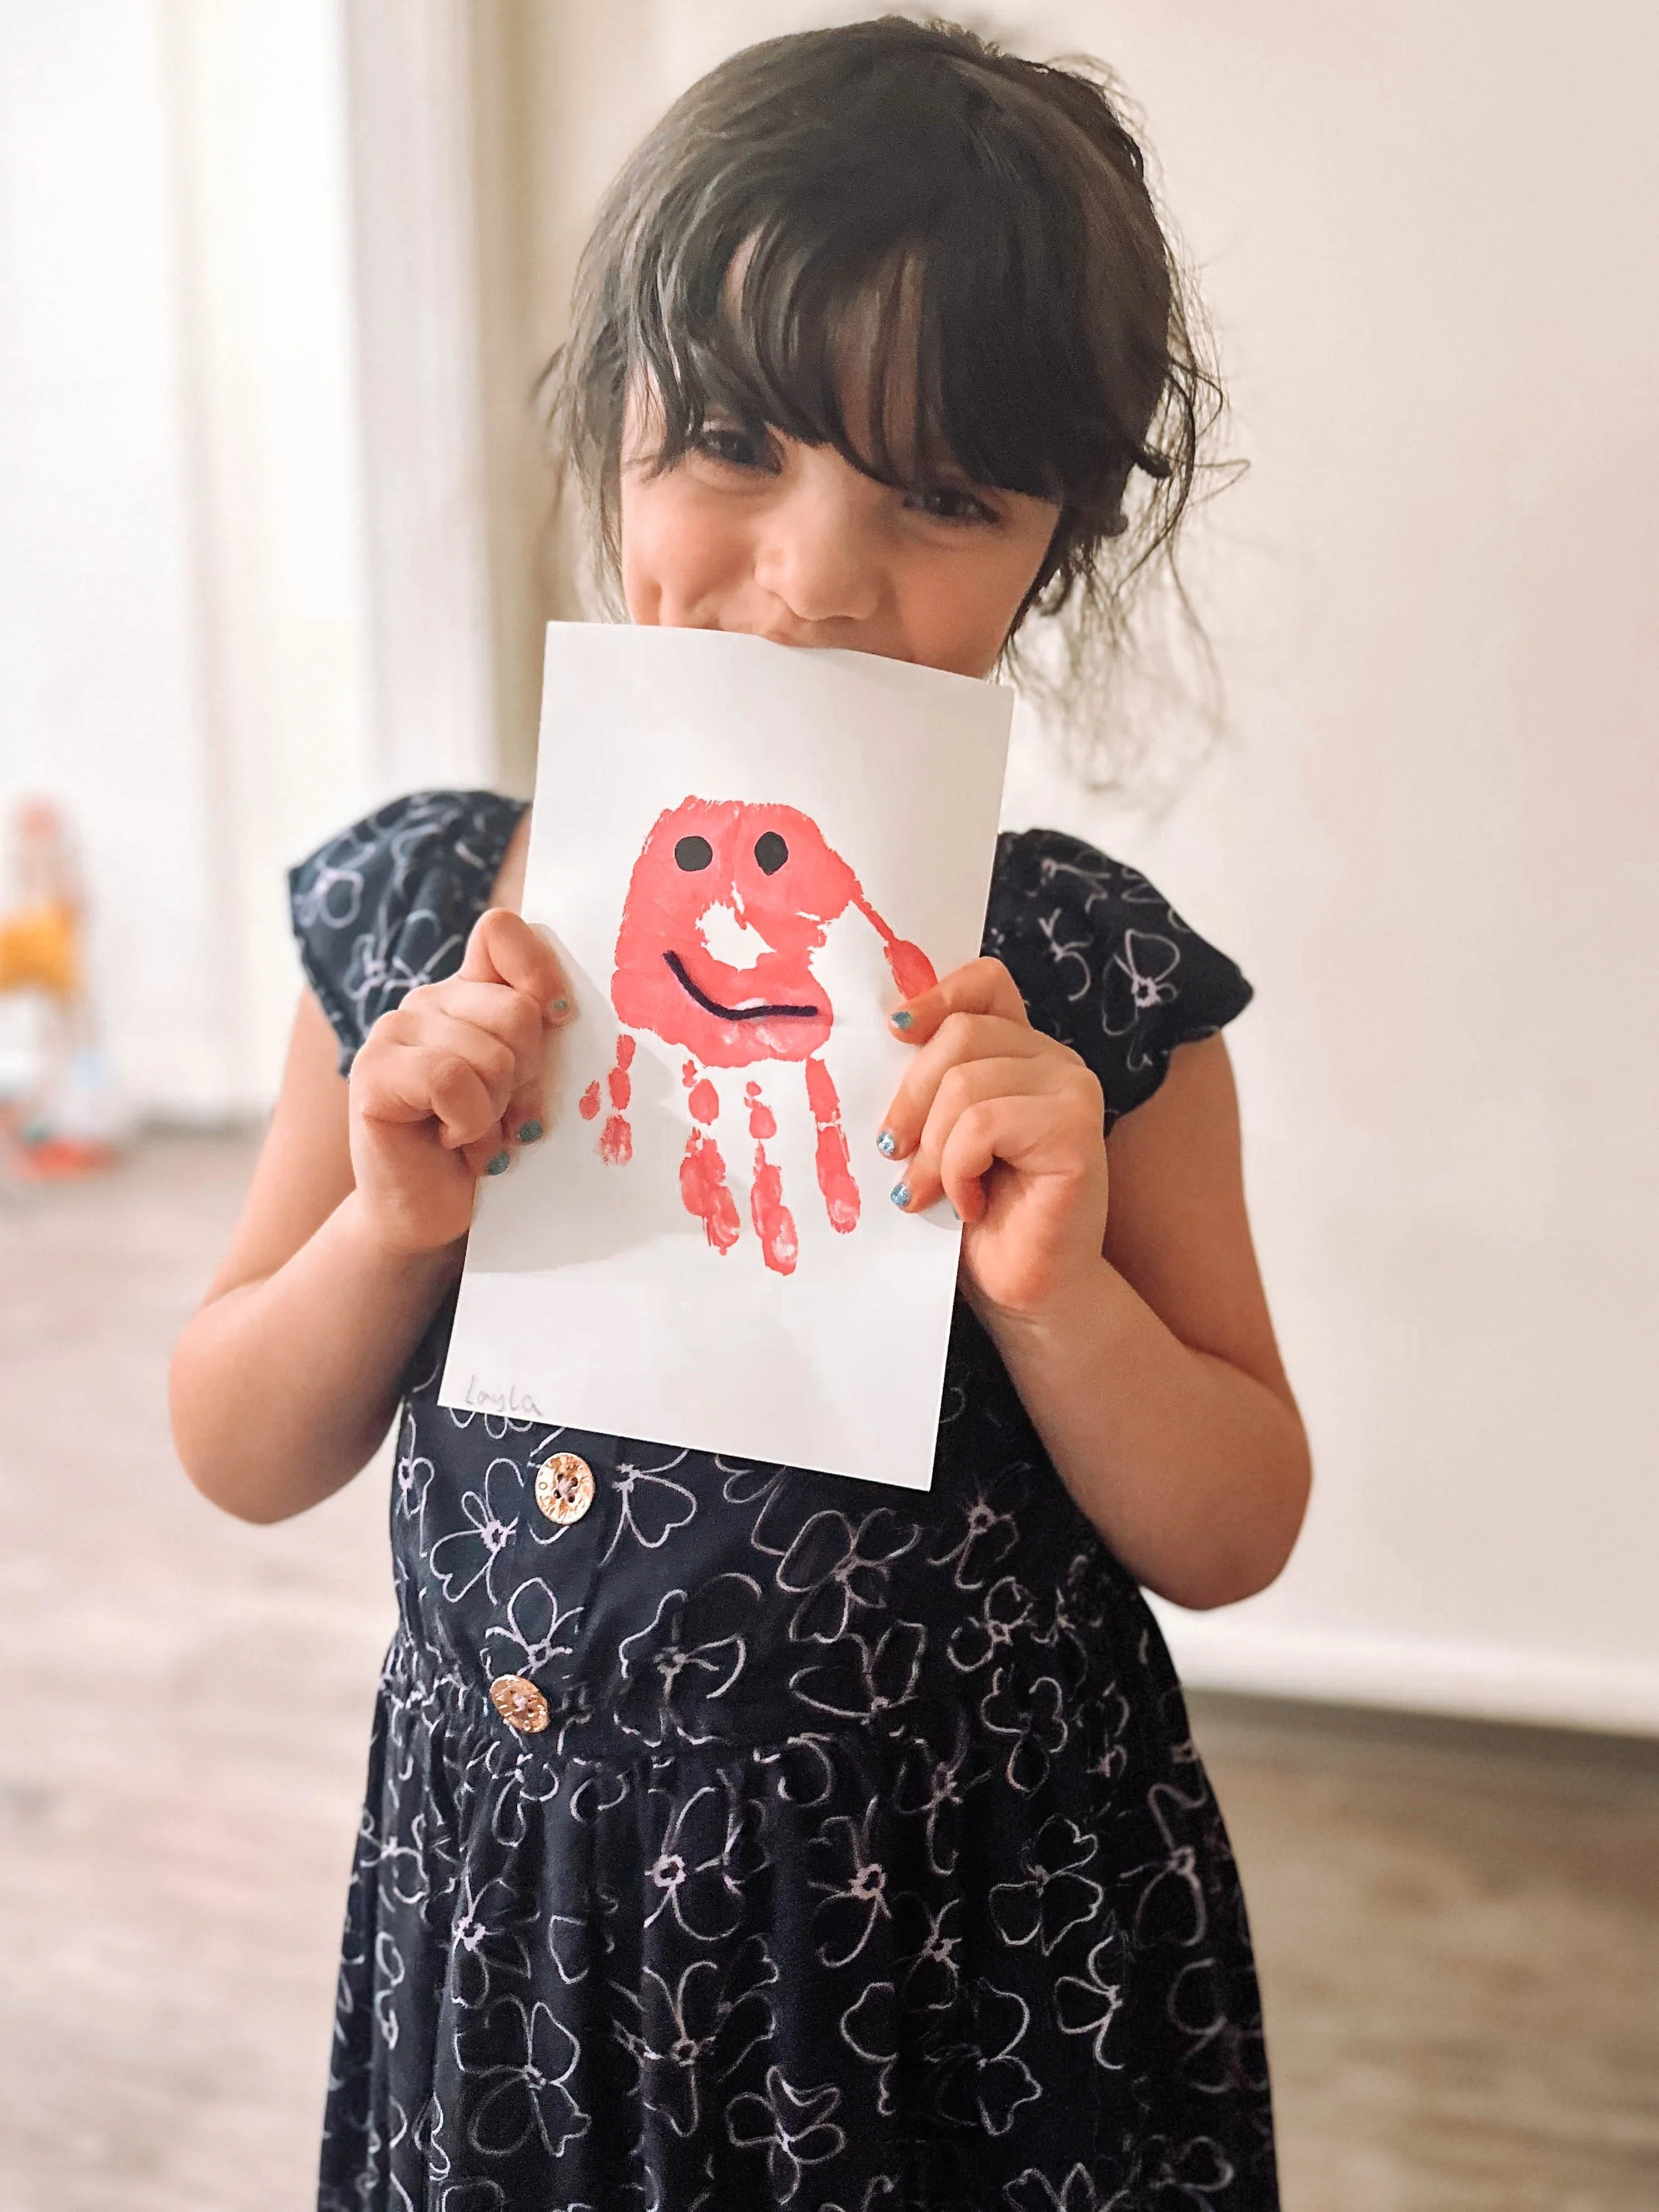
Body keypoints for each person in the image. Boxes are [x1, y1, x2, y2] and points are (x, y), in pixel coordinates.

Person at [171, 20, 1310, 2209]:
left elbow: (1232, 1517)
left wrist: (1059, 1289)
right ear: (603, 420)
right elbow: (235, 1441)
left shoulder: (1078, 989)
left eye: (941, 497)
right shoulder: (426, 919)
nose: (811, 574)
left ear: (1052, 549)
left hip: (972, 1955)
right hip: (529, 1927)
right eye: (726, 445)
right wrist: (388, 1224)